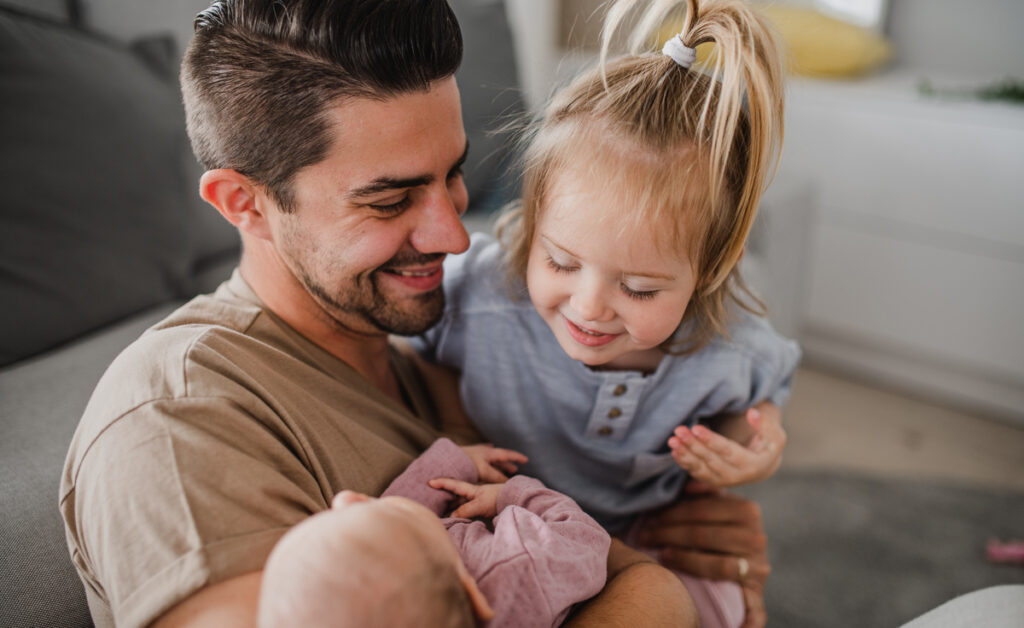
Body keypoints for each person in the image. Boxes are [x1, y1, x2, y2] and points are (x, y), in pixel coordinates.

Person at [58, 1, 773, 626]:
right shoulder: (180, 415)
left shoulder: (451, 337)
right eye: (389, 199)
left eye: (454, 175)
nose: (457, 237)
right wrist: (656, 599)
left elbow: (649, 570)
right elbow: (650, 596)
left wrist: (686, 565)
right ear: (245, 203)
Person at [409, 0, 798, 626]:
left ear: (712, 270)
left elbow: (759, 404)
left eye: (641, 289)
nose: (588, 306)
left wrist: (757, 449)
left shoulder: (732, 349)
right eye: (560, 262)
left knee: (722, 605)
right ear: (531, 228)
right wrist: (455, 431)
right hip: (514, 524)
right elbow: (411, 349)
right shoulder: (479, 295)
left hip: (642, 543)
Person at [258, 437, 635, 627]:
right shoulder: (516, 569)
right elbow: (587, 537)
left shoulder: (418, 581)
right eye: (373, 513)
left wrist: (456, 462)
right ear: (469, 588)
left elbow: (399, 517)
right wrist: (511, 494)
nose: (345, 498)